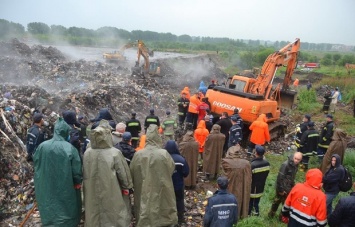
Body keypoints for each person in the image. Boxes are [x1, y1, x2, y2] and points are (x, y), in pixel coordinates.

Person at [33, 118, 82, 226]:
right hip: (66, 184)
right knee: (66, 205)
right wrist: (77, 182)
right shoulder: (69, 148)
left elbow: (36, 163)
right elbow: (76, 171)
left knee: (49, 203)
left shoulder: (42, 146)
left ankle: (50, 222)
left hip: (46, 183)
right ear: (65, 132)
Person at [83, 120, 133, 227]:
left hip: (91, 188)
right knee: (113, 210)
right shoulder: (114, 153)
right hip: (111, 188)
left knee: (95, 210)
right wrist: (127, 187)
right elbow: (123, 173)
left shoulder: (87, 153)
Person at [130, 125, 178, 227]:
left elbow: (132, 171)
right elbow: (171, 168)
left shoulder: (138, 154)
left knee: (144, 206)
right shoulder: (163, 154)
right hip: (161, 185)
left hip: (142, 186)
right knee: (162, 204)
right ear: (158, 137)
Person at [269, 152, 303, 219]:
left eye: (298, 159)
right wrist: (281, 190)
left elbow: (292, 177)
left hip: (288, 187)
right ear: (293, 156)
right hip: (281, 187)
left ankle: (281, 217)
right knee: (277, 201)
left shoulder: (295, 165)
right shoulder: (285, 165)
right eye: (295, 158)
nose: (296, 160)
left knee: (285, 203)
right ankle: (271, 215)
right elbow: (280, 177)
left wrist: (293, 186)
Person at [222, 145, 252, 219]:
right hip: (243, 186)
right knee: (241, 198)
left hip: (231, 186)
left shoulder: (226, 162)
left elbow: (223, 174)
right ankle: (241, 214)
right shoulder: (246, 163)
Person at [165, 140, 190, 225]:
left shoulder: (164, 159)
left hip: (166, 186)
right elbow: (186, 172)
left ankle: (168, 219)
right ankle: (180, 218)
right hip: (178, 185)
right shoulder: (181, 159)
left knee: (167, 201)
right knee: (179, 200)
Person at [249, 145, 270, 216]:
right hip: (261, 187)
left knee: (250, 203)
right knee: (256, 202)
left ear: (256, 153)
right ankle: (256, 214)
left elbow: (249, 177)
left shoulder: (253, 165)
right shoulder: (267, 163)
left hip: (253, 188)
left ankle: (250, 214)